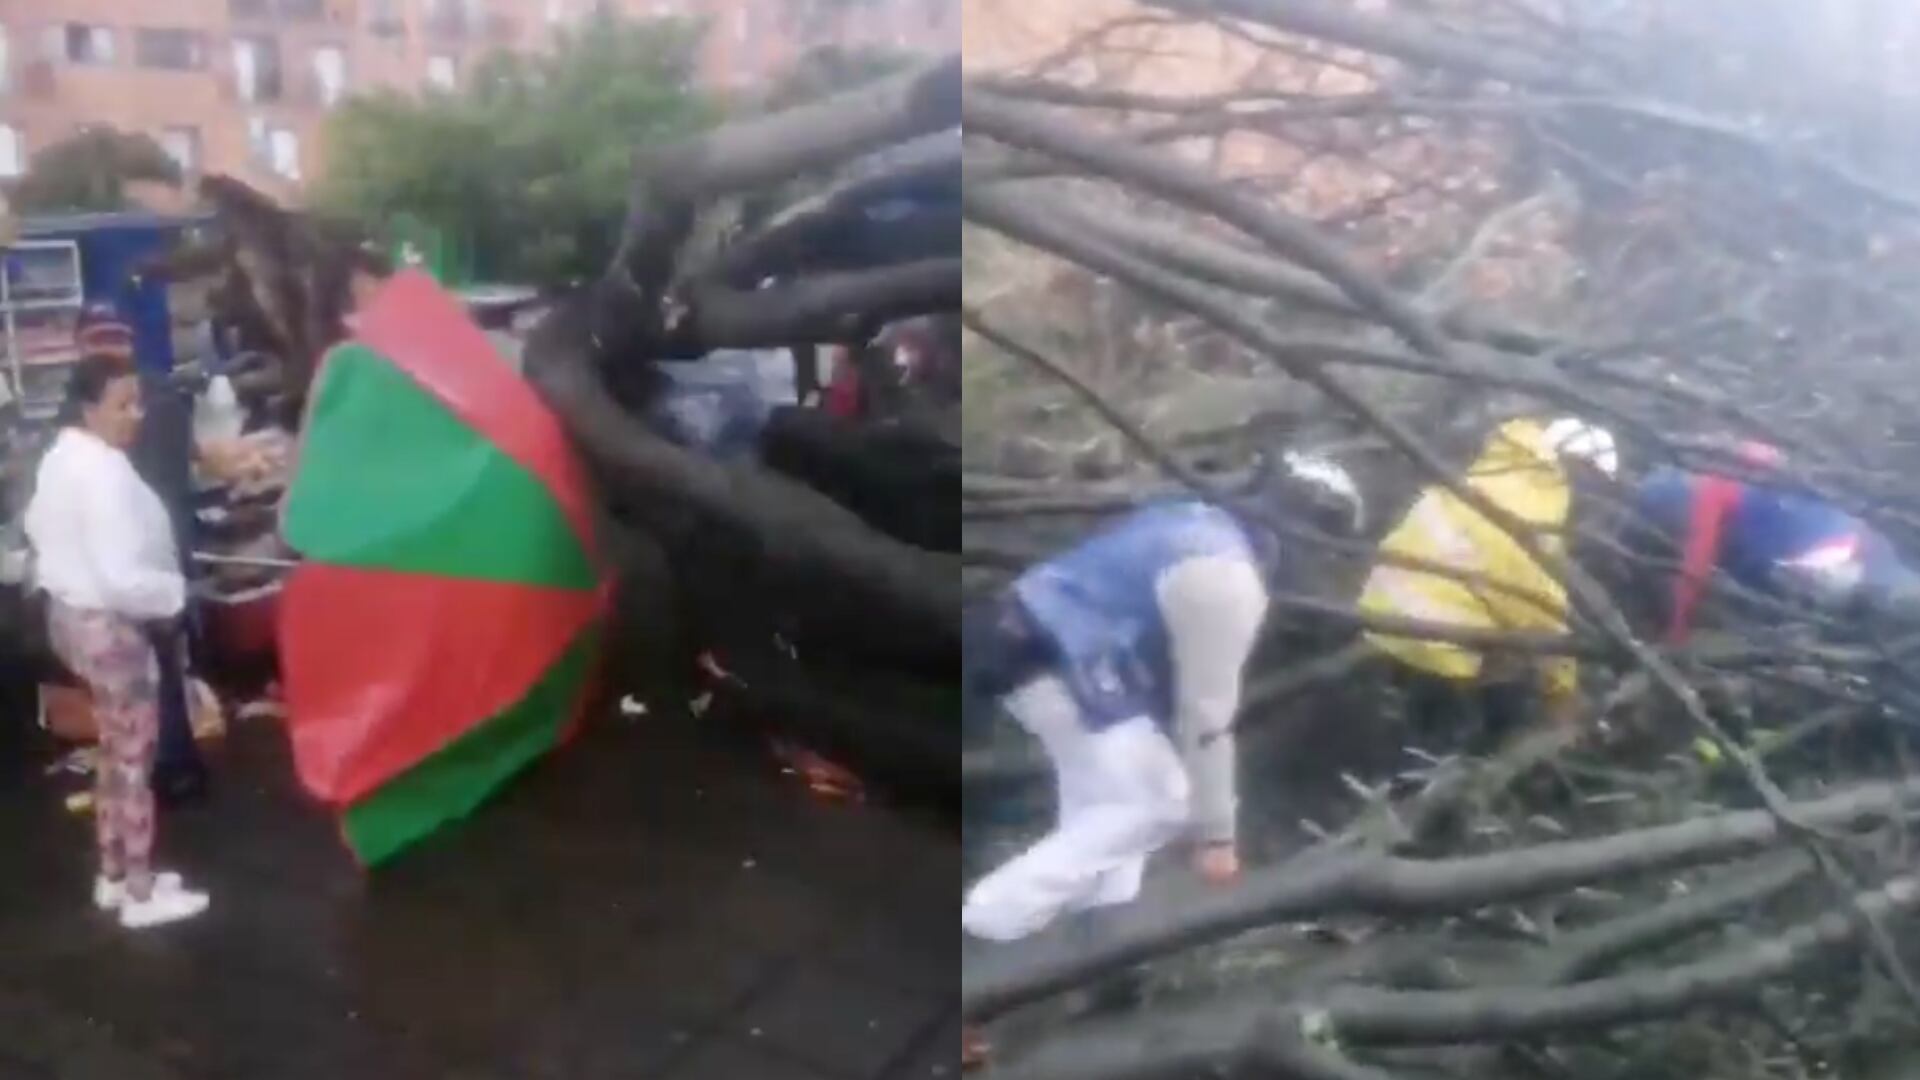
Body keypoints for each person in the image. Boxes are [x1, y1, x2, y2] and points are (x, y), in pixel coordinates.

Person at [960, 452, 1365, 944]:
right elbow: (1207, 713)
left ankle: (1094, 938)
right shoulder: (1227, 576)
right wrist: (1217, 836)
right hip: (1062, 656)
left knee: (1108, 809)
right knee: (1162, 801)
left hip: (1017, 636)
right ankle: (988, 925)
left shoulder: (1189, 517)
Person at [25, 353, 211, 928]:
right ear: (89, 408)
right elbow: (120, 576)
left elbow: (36, 528)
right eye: (121, 405)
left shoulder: (62, 457)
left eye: (138, 402)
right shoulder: (101, 472)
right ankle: (139, 891)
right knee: (134, 758)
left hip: (71, 617)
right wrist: (174, 593)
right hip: (110, 628)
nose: (135, 416)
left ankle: (113, 874)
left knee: (113, 749)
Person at [1357, 417, 1618, 745]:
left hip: (1377, 610)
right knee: (1439, 750)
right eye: (1594, 484)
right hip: (1431, 641)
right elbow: (1540, 611)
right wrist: (1562, 692)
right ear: (1580, 469)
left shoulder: (1490, 476)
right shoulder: (1536, 509)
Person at [1629, 440, 1920, 642]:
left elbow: (1696, 567)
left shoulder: (1712, 493)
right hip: (1856, 538)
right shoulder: (1740, 466)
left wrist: (1677, 630)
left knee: (1897, 604)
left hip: (1833, 563)